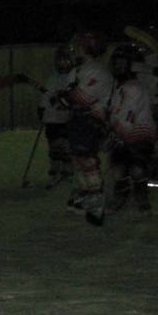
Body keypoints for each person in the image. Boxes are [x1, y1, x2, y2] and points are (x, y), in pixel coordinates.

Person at [58, 29, 114, 226]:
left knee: (86, 159)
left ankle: (96, 197)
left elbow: (82, 98)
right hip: (79, 120)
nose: (75, 49)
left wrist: (66, 97)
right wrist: (64, 98)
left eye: (79, 46)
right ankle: (86, 192)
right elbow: (70, 97)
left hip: (91, 121)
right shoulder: (80, 69)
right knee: (78, 158)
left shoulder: (97, 70)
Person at [105, 43, 156, 215]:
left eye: (122, 63)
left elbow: (128, 115)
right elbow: (116, 112)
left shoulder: (134, 88)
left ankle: (141, 197)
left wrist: (117, 133)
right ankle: (121, 194)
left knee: (137, 167)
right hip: (123, 134)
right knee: (118, 167)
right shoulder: (120, 87)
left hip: (139, 135)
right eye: (116, 63)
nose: (118, 67)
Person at [39, 44, 75, 189]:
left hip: (68, 118)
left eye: (65, 60)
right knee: (54, 148)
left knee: (67, 147)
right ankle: (54, 173)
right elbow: (46, 96)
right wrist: (41, 109)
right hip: (52, 119)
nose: (62, 63)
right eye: (60, 60)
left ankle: (67, 173)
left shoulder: (73, 77)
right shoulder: (52, 78)